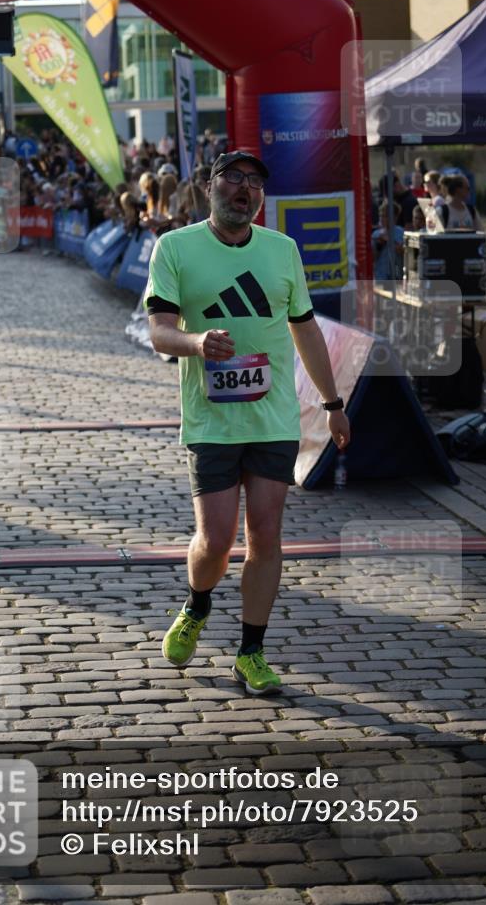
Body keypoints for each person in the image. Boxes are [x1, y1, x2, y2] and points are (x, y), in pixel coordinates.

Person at [145, 151, 350, 695]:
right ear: (209, 186)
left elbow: (306, 330)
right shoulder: (177, 248)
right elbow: (160, 331)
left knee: (265, 533)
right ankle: (197, 603)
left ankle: (251, 652)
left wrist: (332, 404)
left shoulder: (282, 251)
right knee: (214, 541)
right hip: (211, 422)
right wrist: (197, 343)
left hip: (272, 418)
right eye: (233, 178)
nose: (245, 188)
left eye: (255, 182)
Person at [371, 200, 404, 284]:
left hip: (396, 276)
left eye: (385, 216)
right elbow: (372, 258)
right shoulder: (376, 234)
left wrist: (388, 240)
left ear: (394, 217)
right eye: (380, 216)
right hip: (380, 276)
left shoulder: (401, 232)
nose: (382, 219)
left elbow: (402, 251)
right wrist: (378, 246)